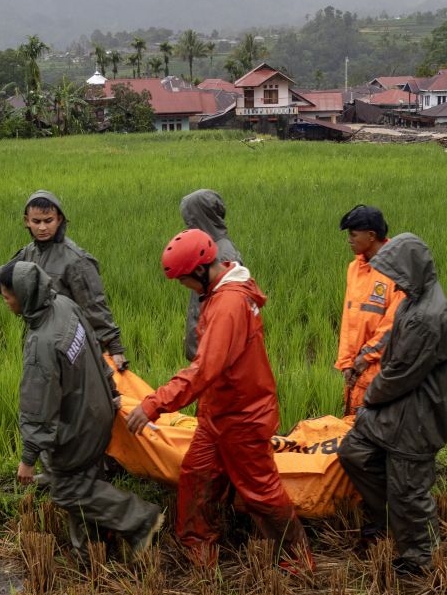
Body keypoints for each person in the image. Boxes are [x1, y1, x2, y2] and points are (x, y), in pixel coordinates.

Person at [126, 229, 313, 573]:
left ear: (200, 271)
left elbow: (203, 370)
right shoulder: (219, 291)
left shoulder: (227, 304)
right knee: (197, 474)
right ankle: (198, 546)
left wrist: (154, 403)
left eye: (183, 279)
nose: (183, 286)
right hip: (218, 411)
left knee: (260, 491)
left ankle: (297, 560)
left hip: (243, 415)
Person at [0, 259, 163, 558]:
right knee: (84, 476)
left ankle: (142, 520)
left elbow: (38, 406)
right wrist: (112, 390)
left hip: (79, 423)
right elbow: (93, 345)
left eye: (6, 296)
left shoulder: (42, 342)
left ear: (24, 296)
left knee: (69, 489)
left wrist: (28, 458)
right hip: (99, 407)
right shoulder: (63, 305)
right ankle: (93, 547)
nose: (6, 301)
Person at [338, 235, 447, 575]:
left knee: (410, 489)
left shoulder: (428, 316)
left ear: (411, 270)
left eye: (396, 272)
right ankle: (389, 518)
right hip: (397, 409)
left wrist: (369, 399)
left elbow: (401, 374)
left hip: (417, 416)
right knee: (354, 453)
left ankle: (420, 559)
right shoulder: (412, 300)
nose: (391, 279)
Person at [0, 190, 129, 370]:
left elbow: (95, 306)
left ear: (59, 219)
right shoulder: (29, 252)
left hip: (70, 346)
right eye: (36, 222)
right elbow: (4, 275)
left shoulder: (76, 260)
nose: (42, 227)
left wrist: (114, 348)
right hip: (39, 342)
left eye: (48, 221)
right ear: (27, 221)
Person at [336, 205, 406, 416]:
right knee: (353, 433)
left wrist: (365, 357)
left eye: (353, 234)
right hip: (356, 373)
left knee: (376, 433)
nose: (349, 239)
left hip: (381, 371)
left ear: (371, 235)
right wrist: (347, 363)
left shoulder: (397, 269)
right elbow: (349, 319)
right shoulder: (353, 269)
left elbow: (394, 322)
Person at [180, 189, 242, 362]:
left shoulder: (221, 255)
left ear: (201, 217)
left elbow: (224, 315)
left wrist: (206, 353)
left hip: (213, 356)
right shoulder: (209, 249)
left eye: (190, 218)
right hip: (206, 351)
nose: (187, 224)